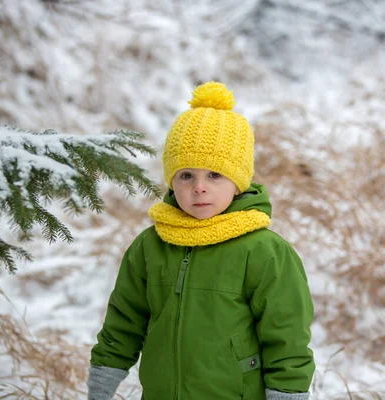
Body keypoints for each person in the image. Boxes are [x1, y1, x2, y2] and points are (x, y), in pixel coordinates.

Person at [88, 81, 315, 400]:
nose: (199, 187)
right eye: (186, 175)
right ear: (171, 180)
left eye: (214, 175)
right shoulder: (151, 244)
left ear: (238, 182)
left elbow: (287, 335)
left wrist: (287, 393)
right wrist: (101, 383)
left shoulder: (265, 251)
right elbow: (124, 319)